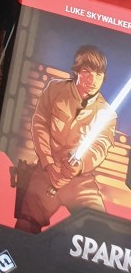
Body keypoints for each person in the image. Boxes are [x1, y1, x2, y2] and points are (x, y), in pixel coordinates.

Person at [14, 45, 116, 233]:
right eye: (87, 72)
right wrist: (48, 163)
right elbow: (40, 124)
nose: (93, 80)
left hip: (80, 181)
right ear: (76, 71)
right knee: (25, 226)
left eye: (99, 74)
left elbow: (101, 146)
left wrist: (80, 165)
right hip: (45, 173)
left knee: (99, 229)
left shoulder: (107, 113)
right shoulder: (55, 89)